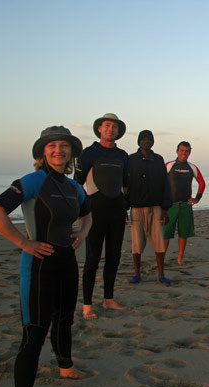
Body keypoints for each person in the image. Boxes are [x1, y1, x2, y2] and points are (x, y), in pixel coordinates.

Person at [0, 126, 91, 387]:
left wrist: (82, 233)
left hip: (66, 264)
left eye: (64, 145)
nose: (59, 150)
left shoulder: (73, 187)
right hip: (38, 266)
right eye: (52, 145)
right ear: (43, 151)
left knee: (65, 321)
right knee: (34, 335)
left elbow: (88, 215)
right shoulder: (32, 180)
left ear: (71, 153)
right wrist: (24, 243)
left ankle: (65, 367)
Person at [74, 113, 129, 320]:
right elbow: (77, 184)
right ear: (99, 129)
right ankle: (87, 304)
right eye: (107, 126)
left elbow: (124, 186)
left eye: (114, 127)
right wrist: (81, 211)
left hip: (116, 212)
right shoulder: (89, 153)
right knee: (92, 259)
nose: (110, 129)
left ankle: (108, 300)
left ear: (118, 131)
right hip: (94, 212)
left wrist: (125, 208)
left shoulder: (123, 155)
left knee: (114, 258)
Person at [127, 130, 172, 284]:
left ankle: (161, 274)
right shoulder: (131, 160)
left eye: (149, 139)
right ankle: (137, 273)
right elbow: (125, 185)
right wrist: (124, 208)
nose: (146, 141)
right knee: (137, 244)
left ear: (153, 142)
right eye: (143, 139)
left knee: (159, 243)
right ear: (139, 141)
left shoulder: (158, 160)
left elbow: (166, 184)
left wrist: (166, 208)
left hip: (156, 208)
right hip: (136, 209)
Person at [163, 141, 206, 265]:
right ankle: (162, 258)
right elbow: (159, 182)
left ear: (189, 152)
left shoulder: (192, 167)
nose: (184, 153)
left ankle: (179, 258)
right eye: (181, 150)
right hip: (171, 206)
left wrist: (197, 199)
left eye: (186, 151)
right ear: (177, 151)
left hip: (186, 205)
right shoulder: (169, 165)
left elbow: (202, 183)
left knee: (183, 233)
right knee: (166, 233)